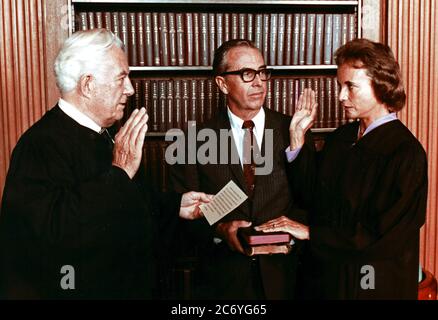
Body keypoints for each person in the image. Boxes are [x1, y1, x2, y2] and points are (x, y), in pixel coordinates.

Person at [0, 28, 211, 299]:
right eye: (122, 78)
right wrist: (119, 172)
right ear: (88, 84)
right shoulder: (40, 145)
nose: (131, 89)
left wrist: (176, 206)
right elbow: (50, 237)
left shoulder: (103, 135)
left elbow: (127, 206)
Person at [256, 38, 428, 299]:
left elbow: (382, 235)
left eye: (351, 86)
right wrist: (298, 139)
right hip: (329, 280)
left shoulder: (405, 153)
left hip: (372, 285)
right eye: (340, 85)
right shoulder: (342, 138)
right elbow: (311, 197)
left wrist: (312, 233)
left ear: (381, 86)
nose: (340, 96)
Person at [170, 39, 309, 299]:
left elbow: (310, 198)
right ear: (222, 83)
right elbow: (182, 218)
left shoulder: (293, 131)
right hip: (223, 282)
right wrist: (220, 230)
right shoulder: (192, 142)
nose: (258, 82)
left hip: (286, 279)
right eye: (247, 74)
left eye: (262, 72)